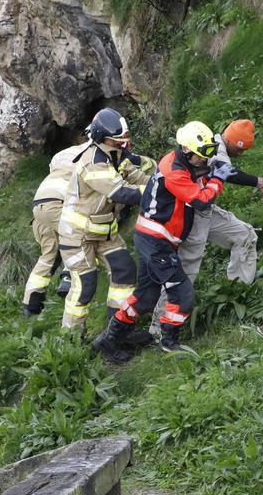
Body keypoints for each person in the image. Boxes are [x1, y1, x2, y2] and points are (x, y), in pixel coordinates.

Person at [93, 121, 232, 361]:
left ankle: (108, 340)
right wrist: (218, 178)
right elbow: (201, 200)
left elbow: (196, 175)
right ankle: (169, 342)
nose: (206, 159)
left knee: (146, 296)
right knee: (183, 294)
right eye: (203, 155)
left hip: (151, 238)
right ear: (187, 150)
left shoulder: (181, 161)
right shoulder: (175, 171)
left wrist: (210, 171)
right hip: (157, 241)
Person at [150, 119, 263, 335]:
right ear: (235, 143)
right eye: (241, 149)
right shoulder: (216, 152)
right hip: (191, 214)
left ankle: (238, 291)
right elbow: (228, 172)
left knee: (244, 234)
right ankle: (160, 327)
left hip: (206, 212)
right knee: (185, 271)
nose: (241, 155)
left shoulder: (214, 144)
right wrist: (258, 182)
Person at [58, 107, 156, 331]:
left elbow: (139, 177)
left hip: (104, 233)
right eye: (117, 141)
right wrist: (156, 194)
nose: (122, 145)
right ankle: (71, 340)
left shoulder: (116, 156)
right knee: (85, 286)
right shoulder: (92, 162)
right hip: (77, 236)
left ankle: (117, 330)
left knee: (125, 272)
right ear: (103, 138)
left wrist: (164, 183)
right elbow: (121, 193)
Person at [22, 144, 83, 317]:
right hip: (61, 201)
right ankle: (67, 277)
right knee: (81, 236)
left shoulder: (61, 153)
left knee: (48, 255)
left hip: (39, 205)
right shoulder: (94, 153)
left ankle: (31, 305)